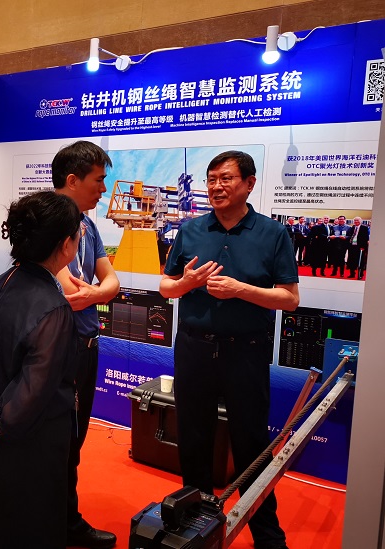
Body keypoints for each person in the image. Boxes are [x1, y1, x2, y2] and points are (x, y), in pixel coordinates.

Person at [159, 150, 299, 549]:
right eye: (211, 179)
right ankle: (194, 525)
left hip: (246, 353)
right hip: (194, 349)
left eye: (226, 178)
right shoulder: (190, 230)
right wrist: (185, 283)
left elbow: (290, 298)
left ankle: (266, 534)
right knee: (194, 439)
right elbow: (166, 287)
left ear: (249, 184)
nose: (216, 187)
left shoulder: (273, 233)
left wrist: (241, 290)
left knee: (251, 444)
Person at [0, 191, 82, 548]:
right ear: (65, 245)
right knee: (30, 529)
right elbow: (31, 397)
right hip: (29, 446)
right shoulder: (54, 309)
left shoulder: (2, 283)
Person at [53, 141, 120, 549]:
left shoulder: (89, 227)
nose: (103, 188)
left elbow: (111, 282)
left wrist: (95, 293)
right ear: (73, 180)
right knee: (58, 440)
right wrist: (96, 292)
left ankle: (64, 520)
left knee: (74, 440)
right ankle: (58, 522)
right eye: (98, 180)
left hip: (87, 344)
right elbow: (69, 289)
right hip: (59, 347)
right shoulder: (47, 223)